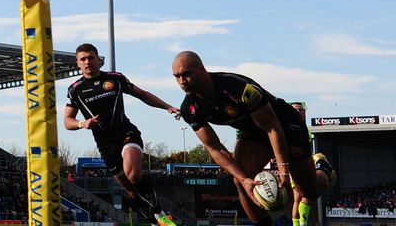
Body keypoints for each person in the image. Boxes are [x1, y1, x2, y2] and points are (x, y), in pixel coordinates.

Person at [172, 51, 321, 226]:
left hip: (286, 127)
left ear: (202, 69)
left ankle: (323, 169)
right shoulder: (190, 109)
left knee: (308, 192)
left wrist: (284, 172)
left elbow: (273, 128)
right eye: (177, 77)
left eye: (186, 74)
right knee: (240, 180)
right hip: (252, 134)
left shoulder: (239, 88)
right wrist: (244, 179)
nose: (182, 81)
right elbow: (214, 147)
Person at [64, 43, 180, 226]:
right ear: (78, 63)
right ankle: (153, 221)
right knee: (131, 190)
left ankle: (160, 212)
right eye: (83, 59)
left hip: (126, 132)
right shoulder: (75, 89)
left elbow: (142, 94)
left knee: (133, 174)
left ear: (99, 60)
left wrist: (167, 106)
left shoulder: (115, 79)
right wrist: (82, 123)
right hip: (105, 144)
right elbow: (67, 121)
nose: (88, 62)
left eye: (91, 58)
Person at [288, 102, 336, 226]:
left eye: (301, 110)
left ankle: (300, 224)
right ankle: (300, 224)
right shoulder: (289, 127)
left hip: (307, 162)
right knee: (300, 198)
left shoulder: (305, 128)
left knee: (302, 198)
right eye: (296, 110)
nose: (299, 112)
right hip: (296, 165)